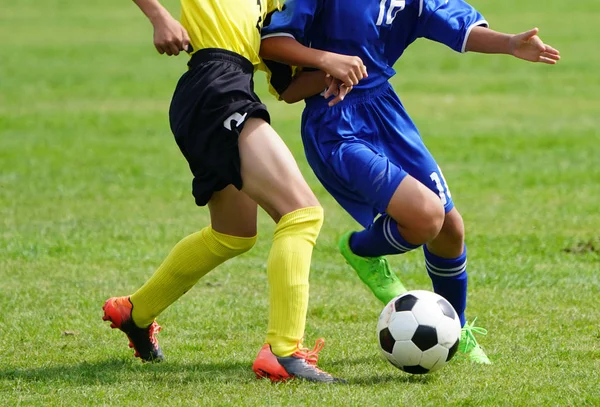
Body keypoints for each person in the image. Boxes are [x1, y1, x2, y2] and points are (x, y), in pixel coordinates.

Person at [260, 0, 560, 364]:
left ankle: (456, 331)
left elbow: (457, 26)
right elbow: (269, 43)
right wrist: (326, 59)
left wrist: (510, 43)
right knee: (426, 218)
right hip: (336, 122)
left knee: (450, 228)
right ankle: (361, 249)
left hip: (385, 110)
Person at [101, 0, 367, 383]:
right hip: (216, 87)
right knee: (302, 214)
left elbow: (287, 88)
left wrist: (336, 66)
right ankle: (283, 352)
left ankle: (134, 311)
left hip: (225, 89)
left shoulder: (278, 5)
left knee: (232, 235)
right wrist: (160, 18)